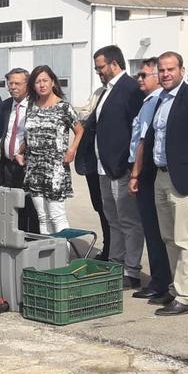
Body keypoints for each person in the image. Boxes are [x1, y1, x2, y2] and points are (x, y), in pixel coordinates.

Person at [131, 51, 188, 316]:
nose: (166, 74)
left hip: (184, 181)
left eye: (171, 69)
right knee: (169, 238)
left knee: (185, 240)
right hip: (161, 177)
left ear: (182, 70)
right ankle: (175, 288)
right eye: (162, 70)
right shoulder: (161, 101)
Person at [82, 45, 145, 288]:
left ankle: (132, 270)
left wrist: (130, 166)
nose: (98, 71)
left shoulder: (130, 89)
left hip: (120, 168)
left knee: (128, 220)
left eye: (101, 67)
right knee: (113, 220)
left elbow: (136, 130)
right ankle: (116, 264)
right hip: (102, 167)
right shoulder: (106, 90)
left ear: (115, 64)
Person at [126, 57, 172, 301]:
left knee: (155, 231)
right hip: (142, 171)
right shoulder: (148, 102)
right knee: (151, 229)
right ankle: (159, 278)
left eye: (144, 75)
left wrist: (135, 173)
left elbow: (144, 141)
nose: (140, 79)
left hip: (147, 173)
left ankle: (161, 281)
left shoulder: (157, 102)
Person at [20, 65, 85, 234]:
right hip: (34, 168)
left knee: (57, 215)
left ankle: (63, 254)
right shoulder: (31, 107)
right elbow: (30, 134)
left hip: (55, 168)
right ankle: (48, 256)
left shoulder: (64, 107)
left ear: (53, 82)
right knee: (42, 217)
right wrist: (20, 151)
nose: (41, 85)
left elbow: (79, 130)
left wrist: (72, 150)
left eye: (45, 81)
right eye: (37, 82)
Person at [0, 67, 40, 233]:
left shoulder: (35, 106)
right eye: (10, 83)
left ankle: (31, 241)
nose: (12, 86)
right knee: (11, 207)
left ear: (28, 85)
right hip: (8, 165)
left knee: (30, 209)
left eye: (17, 83)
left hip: (27, 166)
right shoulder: (5, 105)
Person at [74, 86, 111, 260]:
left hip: (110, 165)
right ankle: (108, 247)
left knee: (114, 212)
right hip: (92, 162)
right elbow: (84, 116)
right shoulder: (99, 93)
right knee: (100, 207)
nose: (99, 71)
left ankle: (113, 250)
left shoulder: (124, 91)